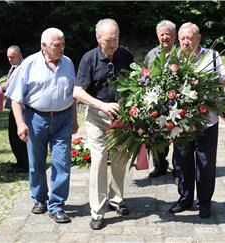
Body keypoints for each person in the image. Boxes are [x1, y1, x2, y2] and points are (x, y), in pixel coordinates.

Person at [5, 28, 78, 223]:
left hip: (63, 119)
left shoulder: (69, 63)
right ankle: (39, 198)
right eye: (57, 45)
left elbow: (73, 94)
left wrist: (75, 118)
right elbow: (16, 98)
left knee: (62, 162)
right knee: (36, 163)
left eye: (63, 44)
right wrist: (20, 123)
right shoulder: (29, 64)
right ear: (44, 46)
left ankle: (57, 205)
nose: (61, 48)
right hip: (36, 118)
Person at [169, 22, 225, 218]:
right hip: (181, 123)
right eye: (182, 38)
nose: (185, 42)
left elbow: (224, 83)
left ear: (198, 38)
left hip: (207, 121)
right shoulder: (173, 59)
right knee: (182, 162)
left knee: (205, 163)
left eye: (189, 38)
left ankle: (205, 203)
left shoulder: (212, 57)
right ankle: (185, 198)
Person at [73, 18, 134, 230]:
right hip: (97, 117)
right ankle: (97, 211)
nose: (113, 43)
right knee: (99, 160)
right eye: (109, 40)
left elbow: (138, 82)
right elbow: (78, 92)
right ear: (98, 39)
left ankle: (117, 200)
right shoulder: (88, 59)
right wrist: (102, 105)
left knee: (119, 160)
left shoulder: (126, 55)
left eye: (116, 38)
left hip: (122, 118)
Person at [144, 20, 176, 178]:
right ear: (158, 36)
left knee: (179, 133)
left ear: (174, 36)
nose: (165, 37)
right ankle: (159, 164)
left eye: (168, 34)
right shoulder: (152, 54)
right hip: (157, 101)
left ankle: (179, 165)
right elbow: (145, 75)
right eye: (162, 34)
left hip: (177, 100)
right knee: (156, 135)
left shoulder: (181, 53)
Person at [4, 45, 29, 173]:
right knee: (13, 136)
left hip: (21, 108)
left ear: (19, 55)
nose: (9, 59)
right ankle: (21, 161)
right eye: (8, 57)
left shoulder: (22, 68)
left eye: (12, 57)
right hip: (14, 107)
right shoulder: (14, 67)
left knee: (18, 136)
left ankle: (24, 164)